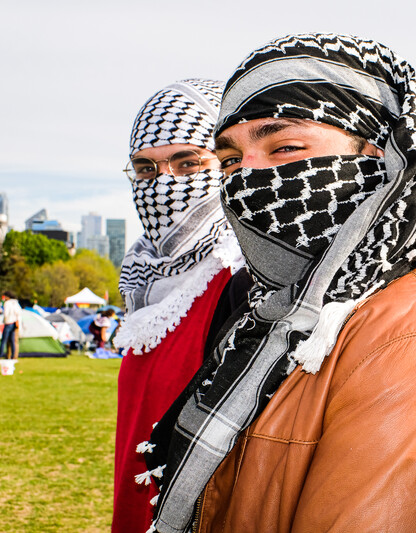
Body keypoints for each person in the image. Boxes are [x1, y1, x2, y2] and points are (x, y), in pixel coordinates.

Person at [141, 33, 416, 533]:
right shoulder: (276, 311)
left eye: (285, 147)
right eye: (229, 160)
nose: (248, 178)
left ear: (379, 158)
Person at [111, 79, 247, 533]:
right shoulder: (141, 279)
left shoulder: (240, 275)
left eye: (188, 162)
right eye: (146, 169)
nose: (164, 182)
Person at [1, 291, 22, 359]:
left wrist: (4, 320)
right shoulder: (15, 303)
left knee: (4, 341)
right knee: (13, 341)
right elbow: (18, 312)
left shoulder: (7, 303)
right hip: (15, 323)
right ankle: (13, 356)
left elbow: (6, 314)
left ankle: (1, 354)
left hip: (8, 323)